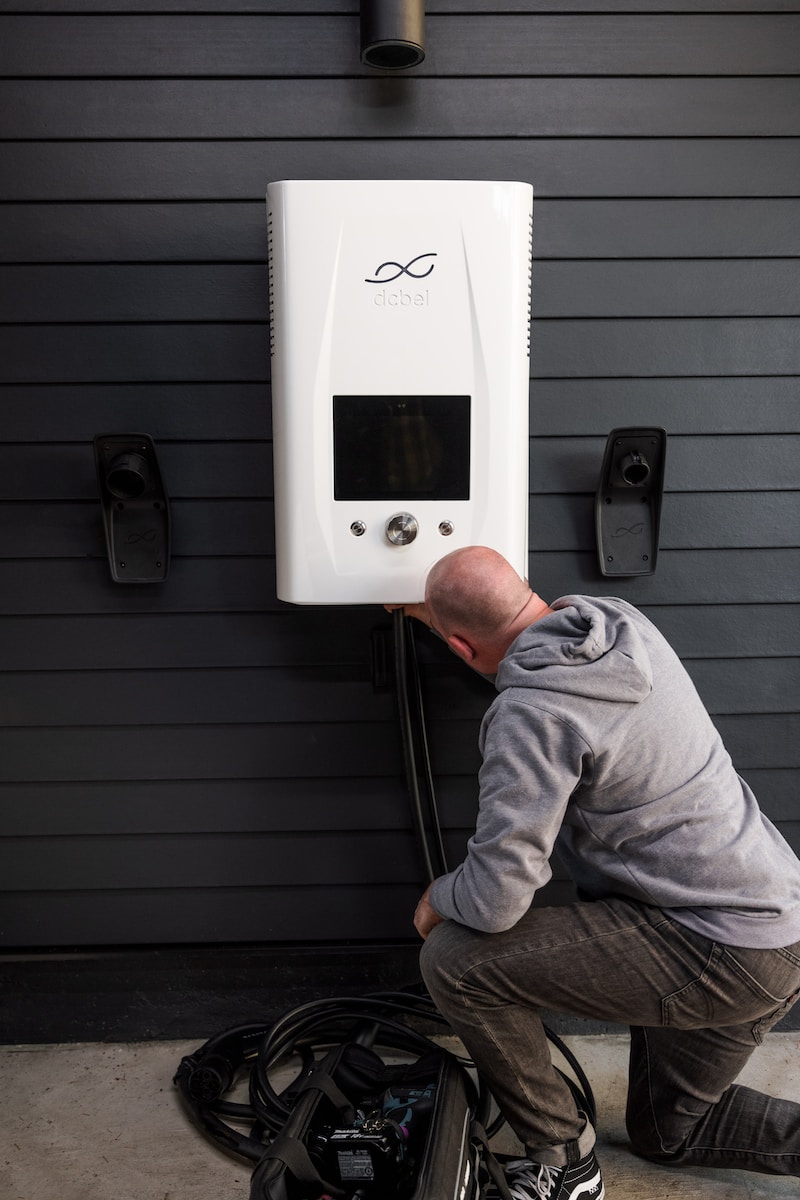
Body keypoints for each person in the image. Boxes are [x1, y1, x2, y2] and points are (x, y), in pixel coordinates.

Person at [391, 545, 800, 1200]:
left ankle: (566, 1168)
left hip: (713, 948)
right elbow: (516, 644)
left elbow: (497, 900)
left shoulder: (530, 716)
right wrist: (431, 613)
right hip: (777, 923)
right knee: (668, 1133)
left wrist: (439, 897)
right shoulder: (615, 624)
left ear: (461, 651)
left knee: (453, 959)